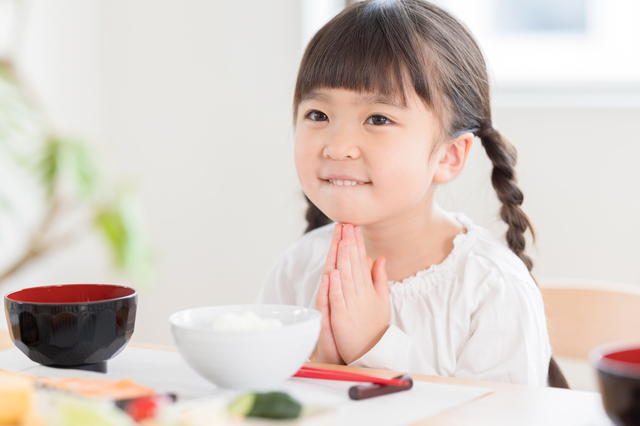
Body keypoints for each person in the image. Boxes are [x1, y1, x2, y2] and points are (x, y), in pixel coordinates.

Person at [257, 0, 568, 388]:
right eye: (318, 115)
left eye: (378, 119)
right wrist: (322, 361)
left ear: (449, 156)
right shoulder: (296, 269)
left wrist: (374, 346)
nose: (337, 147)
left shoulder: (491, 289)